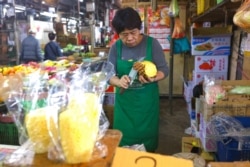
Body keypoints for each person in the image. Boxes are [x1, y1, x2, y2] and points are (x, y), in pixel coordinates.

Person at [107, 7, 169, 152]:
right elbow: (109, 75)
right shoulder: (116, 48)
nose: (129, 38)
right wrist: (118, 81)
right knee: (124, 148)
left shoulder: (152, 44)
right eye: (124, 34)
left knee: (147, 148)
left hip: (146, 107)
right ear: (118, 34)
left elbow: (164, 70)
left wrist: (153, 78)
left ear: (140, 29)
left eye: (133, 33)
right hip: (125, 109)